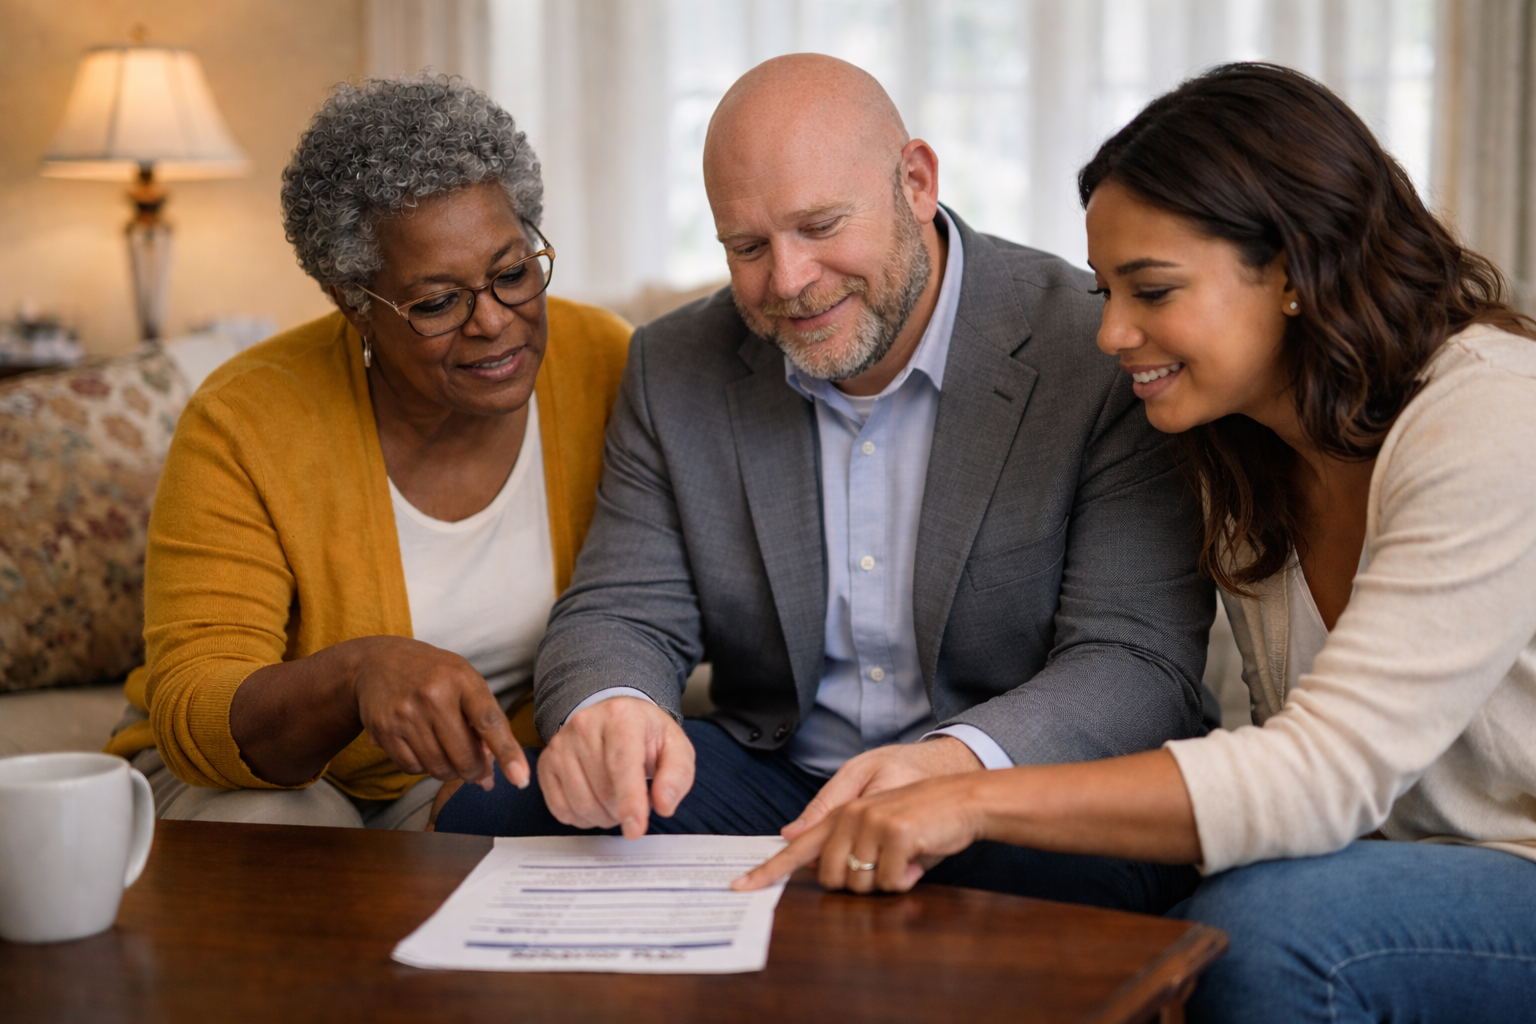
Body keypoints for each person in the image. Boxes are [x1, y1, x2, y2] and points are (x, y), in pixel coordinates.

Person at [734, 63, 1536, 1022]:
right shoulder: (1241, 448)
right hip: (1388, 865)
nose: (1111, 333)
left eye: (1150, 290)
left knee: (1265, 933)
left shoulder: (1492, 416)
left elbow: (1322, 773)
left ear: (1290, 269)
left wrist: (967, 795)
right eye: (1106, 288)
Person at [436, 54, 1213, 914]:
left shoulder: (1094, 346)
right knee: (497, 811)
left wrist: (952, 768)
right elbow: (621, 607)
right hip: (783, 781)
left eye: (820, 225)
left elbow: (1136, 658)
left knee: (1082, 888)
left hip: (1013, 791)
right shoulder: (673, 364)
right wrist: (613, 708)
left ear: (915, 182)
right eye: (748, 246)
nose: (790, 282)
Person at [103, 76, 631, 831]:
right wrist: (355, 674)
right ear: (354, 303)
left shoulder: (603, 362)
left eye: (512, 273)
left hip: (475, 770)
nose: (493, 322)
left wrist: (501, 770)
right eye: (437, 302)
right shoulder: (244, 420)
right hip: (267, 773)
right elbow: (196, 702)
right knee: (292, 838)